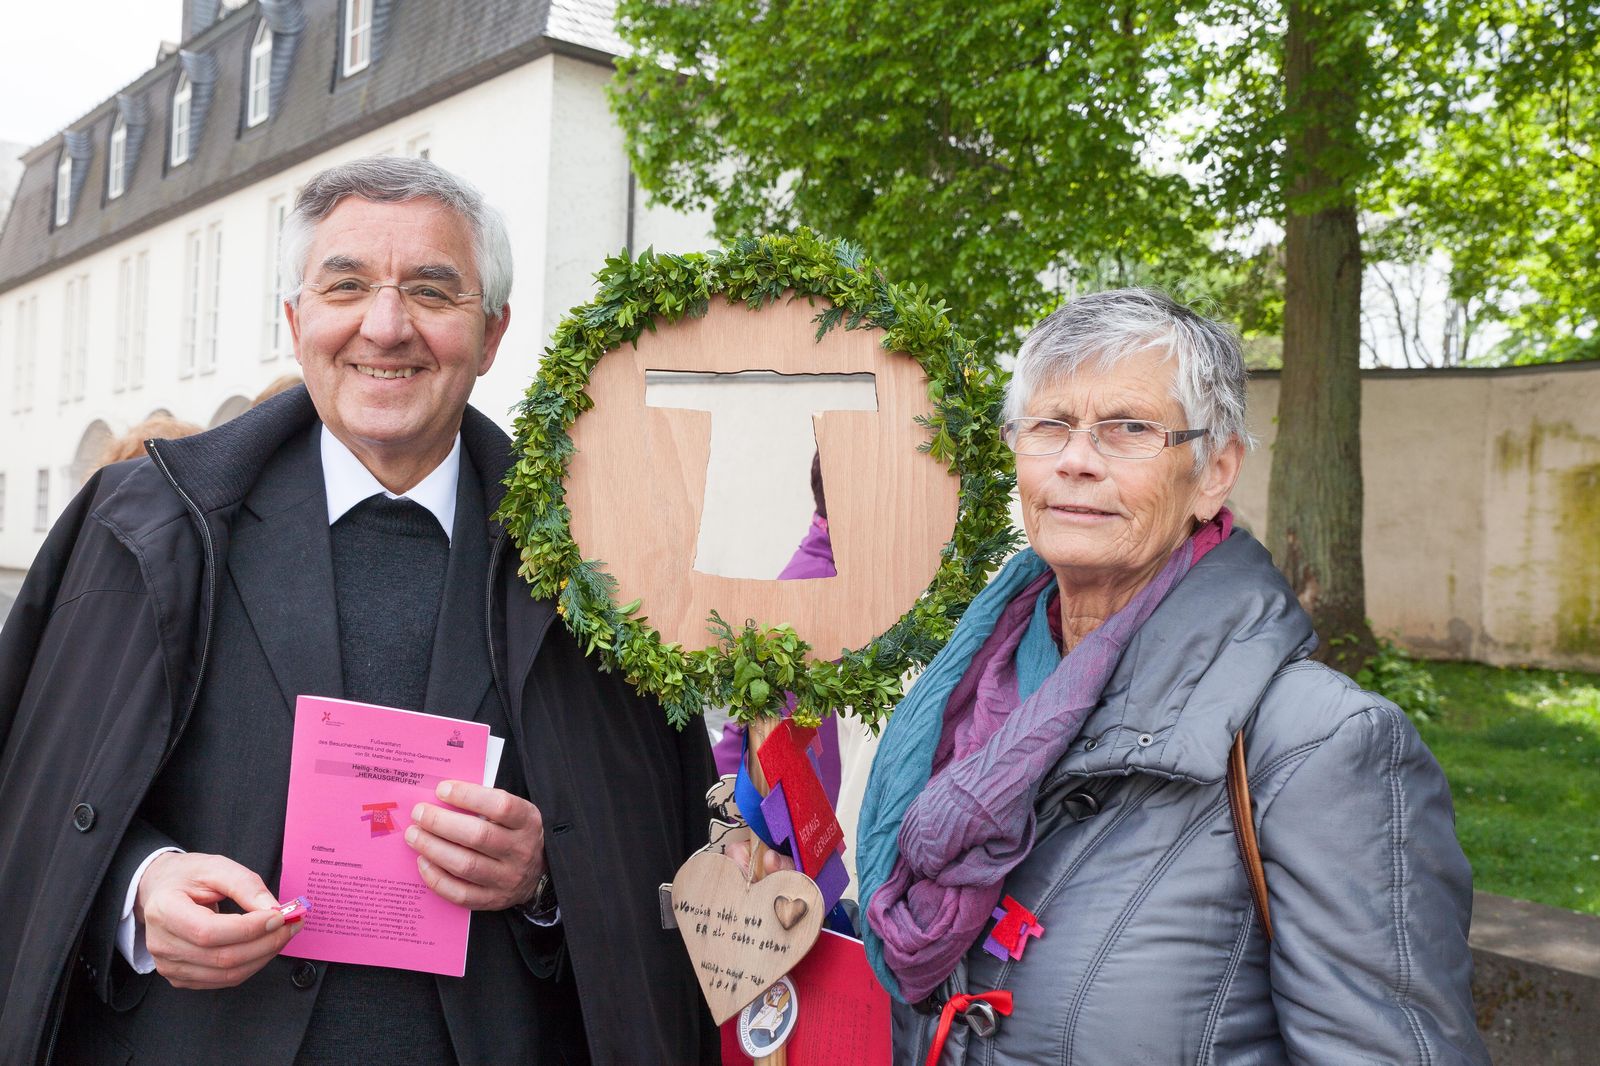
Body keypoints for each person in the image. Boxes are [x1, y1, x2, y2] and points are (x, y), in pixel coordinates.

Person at [0, 157, 717, 1065]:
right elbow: (32, 795)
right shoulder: (144, 527)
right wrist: (135, 892)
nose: (386, 327)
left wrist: (546, 875)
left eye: (432, 291)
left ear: (491, 334)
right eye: (346, 286)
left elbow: (661, 851)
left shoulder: (598, 564)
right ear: (297, 323)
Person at [856, 289, 1489, 1064]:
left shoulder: (1321, 746)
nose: (1076, 459)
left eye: (1128, 430)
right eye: (1049, 425)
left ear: (1214, 471)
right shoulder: (970, 694)